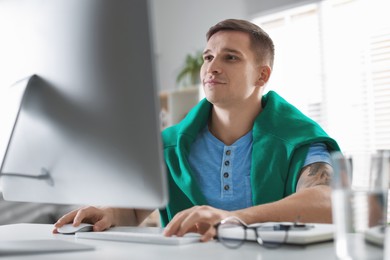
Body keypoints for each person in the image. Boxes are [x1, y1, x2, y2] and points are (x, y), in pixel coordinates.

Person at [54, 19, 340, 242]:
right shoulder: (169, 145)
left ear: (262, 74)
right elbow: (135, 209)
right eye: (208, 57)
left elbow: (328, 201)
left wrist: (231, 218)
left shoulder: (299, 137)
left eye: (230, 57)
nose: (211, 68)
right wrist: (109, 213)